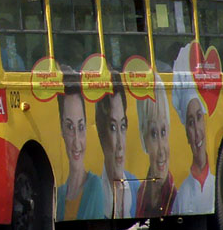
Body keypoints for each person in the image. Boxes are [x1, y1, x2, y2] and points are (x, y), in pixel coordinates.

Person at [172, 55, 215, 215]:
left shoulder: (217, 183)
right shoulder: (181, 195)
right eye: (190, 122)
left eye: (198, 117)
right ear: (186, 135)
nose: (197, 131)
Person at [56, 82, 104, 219]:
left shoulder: (95, 187)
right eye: (70, 127)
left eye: (81, 127)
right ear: (62, 130)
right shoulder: (59, 195)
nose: (77, 142)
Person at [95, 75, 138, 218]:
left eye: (123, 126)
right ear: (101, 135)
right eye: (113, 127)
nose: (120, 144)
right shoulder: (92, 196)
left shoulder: (138, 190)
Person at [135, 75, 176, 218]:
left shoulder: (176, 198)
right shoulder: (139, 194)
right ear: (143, 138)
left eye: (163, 132)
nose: (161, 150)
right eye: (153, 134)